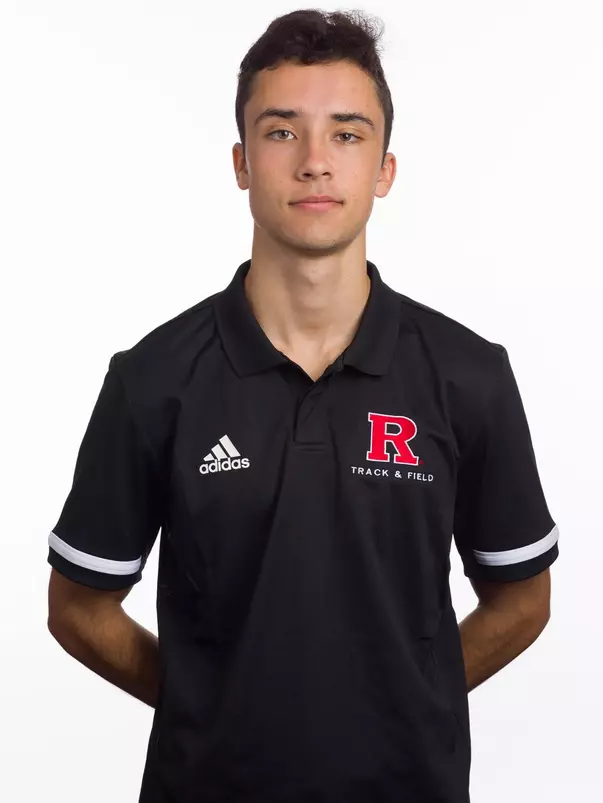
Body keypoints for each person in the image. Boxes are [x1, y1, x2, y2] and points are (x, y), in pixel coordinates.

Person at [46, 9, 559, 803]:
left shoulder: (468, 376)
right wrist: (211, 704)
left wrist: (405, 699)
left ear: (384, 168)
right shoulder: (152, 379)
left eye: (347, 135)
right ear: (241, 162)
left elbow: (523, 596)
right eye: (282, 132)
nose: (315, 162)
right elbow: (79, 605)